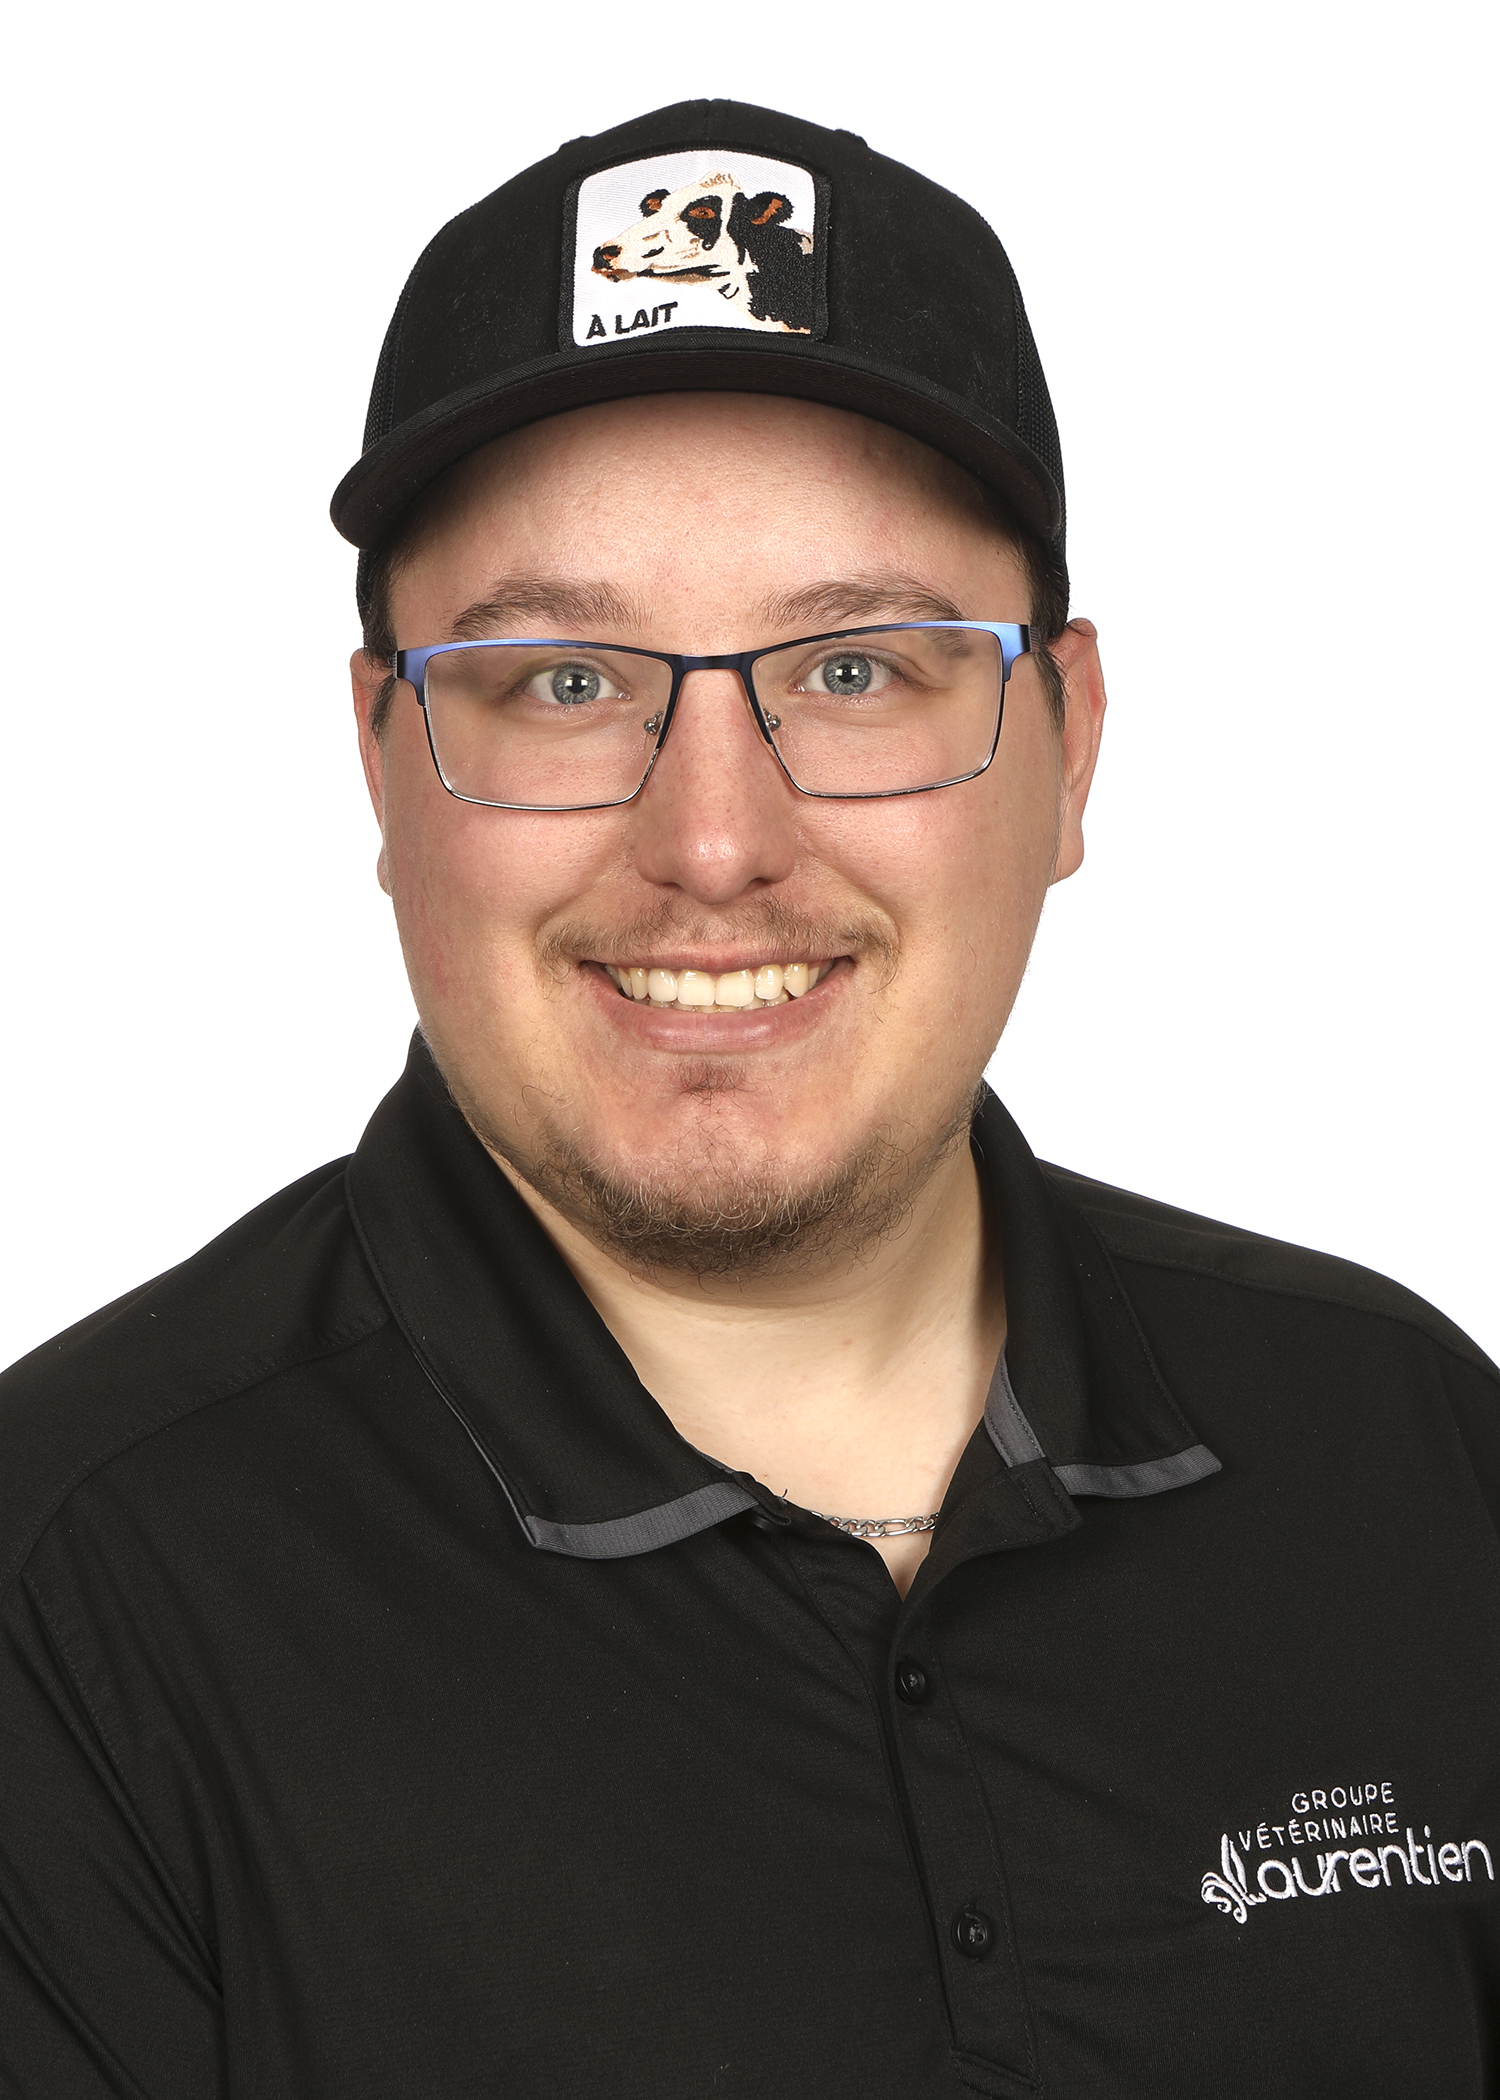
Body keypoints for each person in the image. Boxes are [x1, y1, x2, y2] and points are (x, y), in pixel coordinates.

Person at [1, 97, 1496, 2099]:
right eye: (563, 684)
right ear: (383, 762)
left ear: (1069, 746)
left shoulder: (1410, 1452)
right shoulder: (66, 1604)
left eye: (860, 670)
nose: (715, 843)